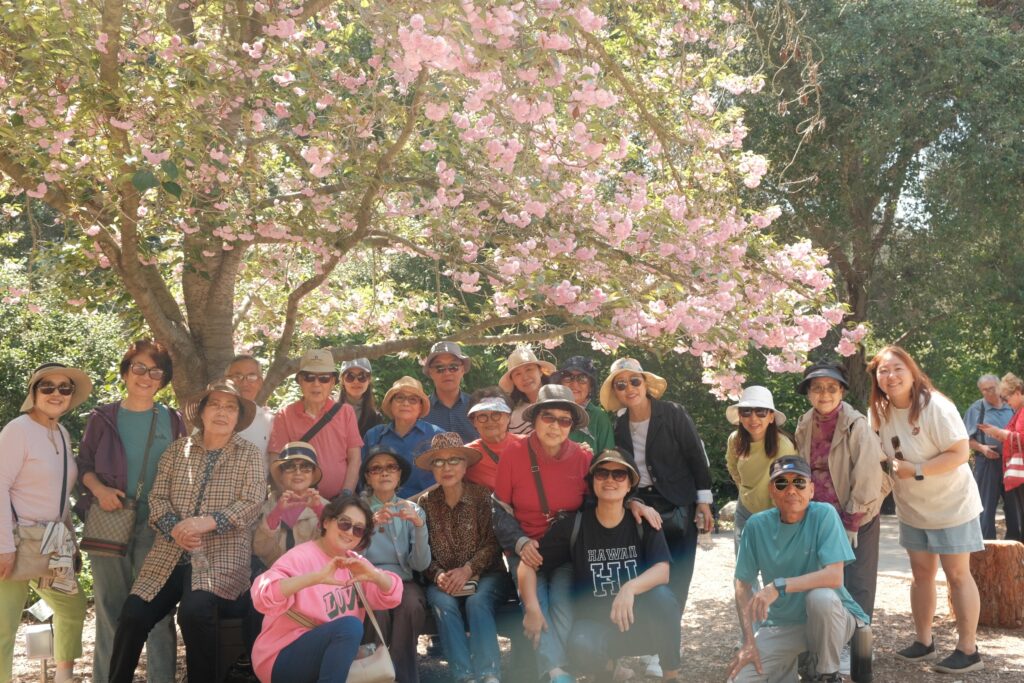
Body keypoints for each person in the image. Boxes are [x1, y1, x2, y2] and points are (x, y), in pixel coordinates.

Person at [109, 379, 266, 683]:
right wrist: (176, 529)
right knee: (133, 615)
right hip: (169, 553)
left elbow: (252, 501)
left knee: (194, 613)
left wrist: (208, 522)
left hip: (221, 556)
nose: (222, 412)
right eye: (215, 405)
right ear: (202, 412)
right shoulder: (176, 451)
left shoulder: (248, 454)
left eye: (230, 407)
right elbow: (157, 499)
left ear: (237, 417)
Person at [868, 345, 984, 674]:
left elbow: (960, 453)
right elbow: (877, 453)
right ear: (876, 378)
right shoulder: (878, 411)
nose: (891, 376)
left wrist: (917, 469)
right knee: (921, 575)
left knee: (957, 575)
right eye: (883, 371)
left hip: (952, 505)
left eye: (898, 368)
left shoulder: (936, 406)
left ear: (912, 371)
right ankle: (924, 642)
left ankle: (969, 650)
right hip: (913, 508)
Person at [520, 449, 683, 682]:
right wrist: (531, 607)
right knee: (581, 644)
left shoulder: (643, 522)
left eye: (619, 474)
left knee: (663, 598)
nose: (609, 480)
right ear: (592, 481)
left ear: (630, 484)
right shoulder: (574, 526)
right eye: (602, 473)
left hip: (641, 624)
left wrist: (629, 588)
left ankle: (671, 676)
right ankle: (607, 668)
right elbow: (527, 565)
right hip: (596, 627)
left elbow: (662, 571)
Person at [77, 340, 185, 683]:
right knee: (110, 610)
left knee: (158, 612)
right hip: (109, 520)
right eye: (139, 367)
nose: (146, 377)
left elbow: (185, 472)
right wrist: (100, 490)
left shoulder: (172, 420)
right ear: (126, 372)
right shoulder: (103, 418)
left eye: (155, 371)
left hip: (158, 526)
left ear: (163, 380)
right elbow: (84, 466)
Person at [725, 456, 870, 683]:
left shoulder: (824, 514)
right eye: (782, 483)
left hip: (830, 622)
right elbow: (742, 585)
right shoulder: (756, 525)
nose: (791, 490)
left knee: (821, 598)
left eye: (799, 483)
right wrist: (748, 642)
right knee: (739, 680)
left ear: (811, 490)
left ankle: (828, 674)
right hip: (782, 624)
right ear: (771, 491)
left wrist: (778, 586)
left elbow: (834, 576)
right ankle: (797, 667)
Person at [492, 384, 593, 683]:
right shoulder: (513, 453)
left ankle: (557, 669)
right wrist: (520, 543)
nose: (555, 426)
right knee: (536, 605)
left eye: (564, 420)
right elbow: (499, 510)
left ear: (571, 426)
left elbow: (597, 504)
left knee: (562, 603)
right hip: (526, 550)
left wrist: (636, 503)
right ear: (535, 419)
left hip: (563, 551)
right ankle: (557, 672)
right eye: (548, 417)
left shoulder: (583, 458)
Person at [0, 363, 93, 683]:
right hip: (15, 539)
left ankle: (63, 678)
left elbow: (59, 496)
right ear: (34, 392)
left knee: (72, 608)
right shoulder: (18, 430)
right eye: (47, 387)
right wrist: (4, 547)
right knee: (3, 628)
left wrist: (71, 542)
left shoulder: (62, 433)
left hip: (52, 541)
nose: (56, 393)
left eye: (64, 388)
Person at [250, 494, 403, 683]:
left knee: (368, 651)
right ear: (326, 522)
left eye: (358, 529)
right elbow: (263, 594)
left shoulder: (354, 562)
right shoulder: (300, 556)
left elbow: (393, 594)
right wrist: (315, 578)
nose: (349, 532)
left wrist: (375, 575)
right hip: (280, 656)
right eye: (344, 523)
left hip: (326, 656)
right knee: (350, 626)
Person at [601, 358, 713, 610]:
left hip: (678, 502)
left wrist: (704, 502)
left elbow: (695, 456)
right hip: (641, 506)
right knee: (646, 575)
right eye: (621, 384)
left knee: (679, 575)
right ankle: (651, 629)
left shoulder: (673, 413)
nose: (629, 388)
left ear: (645, 383)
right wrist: (630, 500)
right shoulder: (618, 425)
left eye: (634, 381)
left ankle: (672, 627)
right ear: (615, 392)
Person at [793, 362, 890, 619]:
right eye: (817, 388)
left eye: (831, 388)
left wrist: (852, 520)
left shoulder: (857, 425)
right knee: (821, 578)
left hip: (857, 514)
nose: (824, 394)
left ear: (842, 392)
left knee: (857, 582)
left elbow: (868, 475)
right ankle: (825, 636)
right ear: (808, 392)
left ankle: (859, 637)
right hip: (819, 515)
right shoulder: (805, 423)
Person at [417, 433, 510, 683]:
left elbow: (493, 543)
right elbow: (421, 549)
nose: (446, 467)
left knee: (477, 602)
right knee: (443, 604)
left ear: (465, 465)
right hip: (443, 579)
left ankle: (489, 673)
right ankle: (464, 676)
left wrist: (469, 569)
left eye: (454, 460)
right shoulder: (426, 503)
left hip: (487, 574)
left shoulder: (482, 496)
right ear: (432, 469)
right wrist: (437, 574)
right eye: (438, 462)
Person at [359, 445, 431, 683]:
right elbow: (349, 556)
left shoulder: (413, 509)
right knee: (376, 610)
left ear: (399, 475)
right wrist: (369, 526)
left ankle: (403, 675)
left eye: (391, 467)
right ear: (368, 477)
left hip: (403, 580)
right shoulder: (358, 509)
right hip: (368, 579)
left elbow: (420, 564)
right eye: (376, 468)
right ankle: (373, 675)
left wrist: (419, 527)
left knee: (411, 606)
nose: (384, 472)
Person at [268, 349, 364, 499]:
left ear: (332, 382)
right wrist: (290, 496)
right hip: (298, 502)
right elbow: (276, 459)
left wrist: (346, 494)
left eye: (324, 378)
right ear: (300, 381)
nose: (316, 384)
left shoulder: (346, 413)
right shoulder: (285, 415)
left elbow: (355, 459)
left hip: (338, 502)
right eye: (309, 377)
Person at [725, 386, 797, 553]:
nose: (753, 418)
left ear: (771, 417)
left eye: (761, 412)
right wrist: (744, 489)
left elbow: (787, 485)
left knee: (771, 563)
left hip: (775, 511)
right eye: (746, 412)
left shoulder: (784, 446)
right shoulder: (735, 440)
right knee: (743, 562)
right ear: (740, 417)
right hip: (745, 507)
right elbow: (732, 466)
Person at [363, 376, 445, 499]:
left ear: (420, 407)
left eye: (413, 399)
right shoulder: (373, 435)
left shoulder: (437, 436)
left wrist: (411, 502)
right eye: (400, 398)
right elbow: (362, 478)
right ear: (391, 404)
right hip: (379, 506)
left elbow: (447, 479)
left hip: (426, 504)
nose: (405, 403)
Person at [253, 442, 330, 569]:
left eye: (305, 467)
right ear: (281, 475)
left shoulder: (328, 508)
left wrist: (319, 511)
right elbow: (260, 550)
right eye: (289, 467)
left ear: (312, 475)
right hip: (275, 575)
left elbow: (332, 547)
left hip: (314, 576)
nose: (298, 472)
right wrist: (276, 513)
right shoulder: (266, 507)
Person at [963, 373, 1018, 540]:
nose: (988, 393)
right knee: (985, 509)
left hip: (1011, 463)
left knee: (1015, 508)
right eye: (984, 390)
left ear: (999, 386)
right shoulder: (977, 409)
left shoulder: (1012, 406)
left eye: (991, 388)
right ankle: (986, 547)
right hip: (987, 463)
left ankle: (1015, 546)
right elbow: (964, 439)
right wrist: (982, 448)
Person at [978, 372, 1024, 542]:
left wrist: (1000, 433)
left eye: (1006, 397)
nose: (1005, 401)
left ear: (1017, 392)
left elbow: (1021, 438)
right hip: (1001, 468)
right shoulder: (1018, 411)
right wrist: (997, 435)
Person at [552, 356, 615, 455]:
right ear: (560, 384)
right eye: (568, 378)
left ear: (590, 387)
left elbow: (608, 457)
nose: (574, 384)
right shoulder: (549, 412)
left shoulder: (599, 417)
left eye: (582, 379)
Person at [464, 388, 523, 491]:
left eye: (496, 414)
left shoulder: (528, 444)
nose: (490, 421)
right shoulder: (467, 454)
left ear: (508, 417)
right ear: (474, 422)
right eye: (482, 416)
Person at [423, 341, 479, 442]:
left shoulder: (477, 407)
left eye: (453, 367)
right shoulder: (421, 411)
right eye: (439, 368)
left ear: (462, 370)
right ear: (430, 372)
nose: (447, 373)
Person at [227, 354, 275, 465]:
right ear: (227, 380)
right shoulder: (210, 417)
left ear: (260, 383)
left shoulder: (270, 422)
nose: (244, 383)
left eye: (252, 377)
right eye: (237, 376)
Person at [500, 346, 556, 436]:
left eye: (529, 369)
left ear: (540, 371)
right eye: (518, 374)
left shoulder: (561, 400)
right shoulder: (517, 417)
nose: (525, 377)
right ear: (513, 381)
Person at [340, 358, 384, 437]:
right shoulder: (328, 411)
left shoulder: (375, 418)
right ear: (342, 380)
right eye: (350, 376)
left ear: (369, 379)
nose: (356, 381)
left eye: (362, 376)